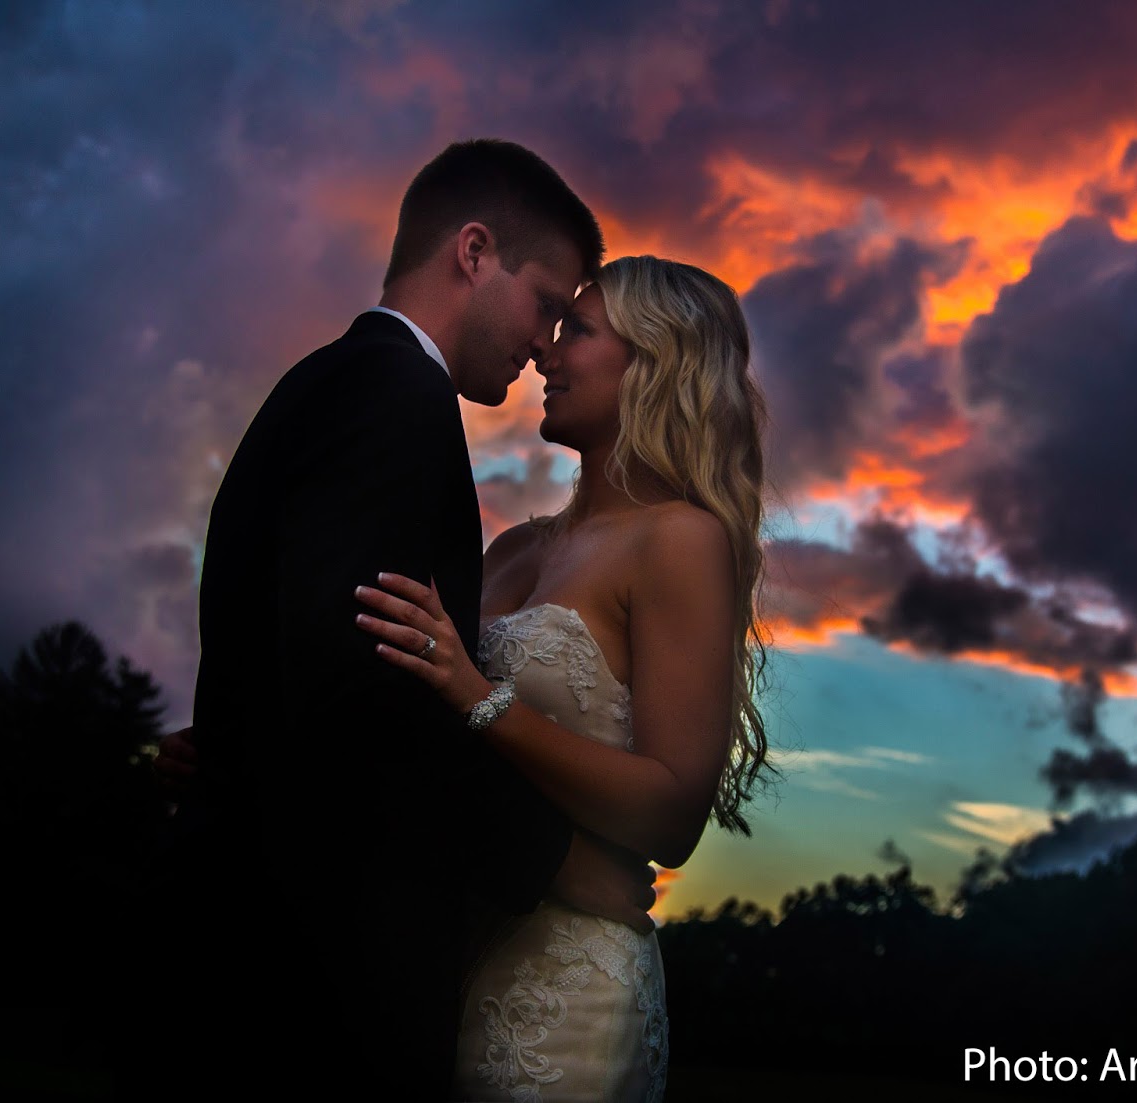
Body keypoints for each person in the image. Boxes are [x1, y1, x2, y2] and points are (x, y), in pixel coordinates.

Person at [146, 139, 657, 1101]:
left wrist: (228, 743)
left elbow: (300, 652)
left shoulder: (324, 382)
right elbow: (368, 689)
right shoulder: (395, 398)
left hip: (254, 942)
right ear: (473, 251)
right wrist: (556, 866)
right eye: (547, 302)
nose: (547, 342)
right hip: (315, 973)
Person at [351, 254, 773, 1101]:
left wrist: (479, 696)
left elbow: (672, 810)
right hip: (449, 957)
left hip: (569, 993)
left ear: (656, 362)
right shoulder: (513, 549)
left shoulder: (681, 541)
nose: (545, 350)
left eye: (576, 330)